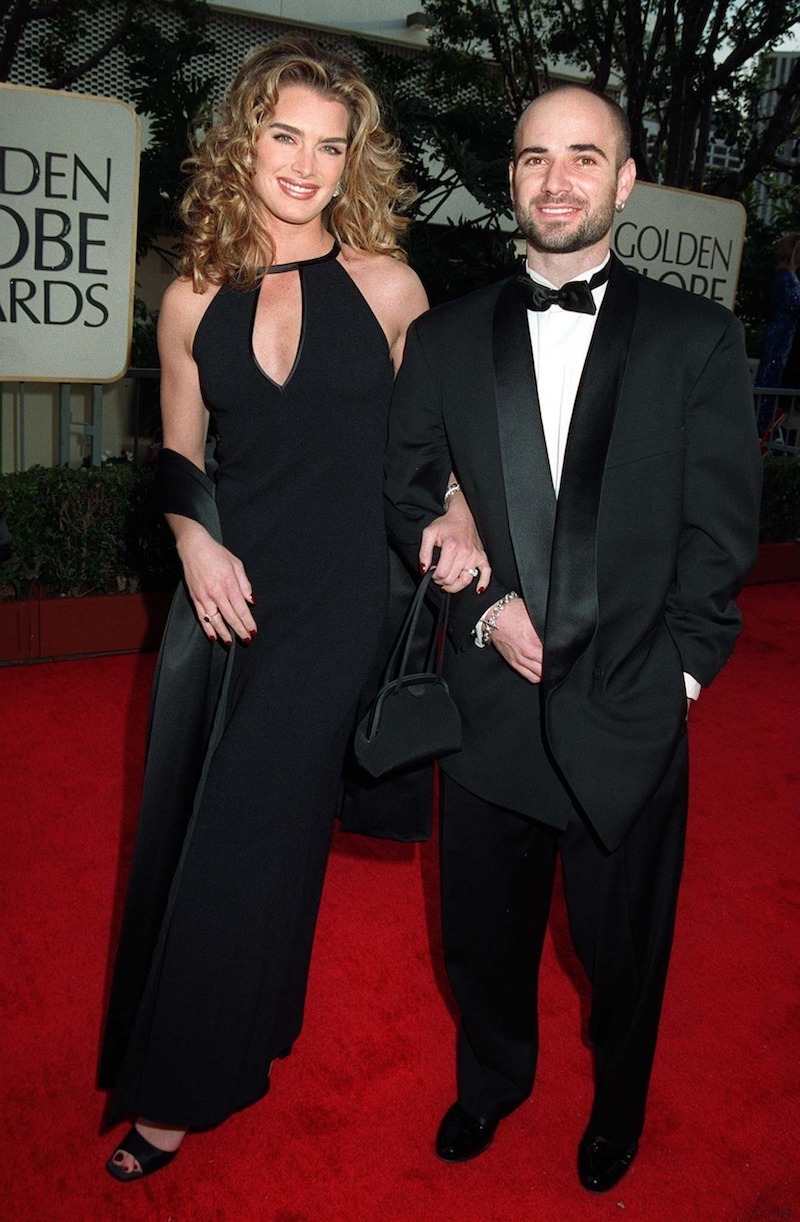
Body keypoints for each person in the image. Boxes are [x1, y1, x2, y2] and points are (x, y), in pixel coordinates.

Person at [99, 38, 485, 1182]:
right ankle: (256, 1025)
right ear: (243, 142)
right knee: (237, 833)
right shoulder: (185, 297)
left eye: (331, 144)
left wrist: (461, 511)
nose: (307, 165)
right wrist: (191, 537)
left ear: (350, 158)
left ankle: (173, 1093)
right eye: (284, 136)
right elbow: (175, 458)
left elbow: (446, 441)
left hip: (342, 601)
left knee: (236, 832)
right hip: (228, 596)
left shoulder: (389, 286)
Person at [384, 85, 762, 1193]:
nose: (555, 179)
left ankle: (617, 1104)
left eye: (582, 158)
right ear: (510, 177)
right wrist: (478, 611)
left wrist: (682, 677)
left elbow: (717, 531)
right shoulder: (446, 338)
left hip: (634, 705)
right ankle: (492, 1080)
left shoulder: (697, 340)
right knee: (480, 938)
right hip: (489, 708)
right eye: (534, 158)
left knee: (624, 947)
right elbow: (406, 487)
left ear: (624, 179)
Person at [754, 231, 800, 435]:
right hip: (780, 336)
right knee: (769, 383)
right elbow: (793, 304)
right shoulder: (785, 278)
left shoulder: (791, 277)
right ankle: (759, 430)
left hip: (787, 337)